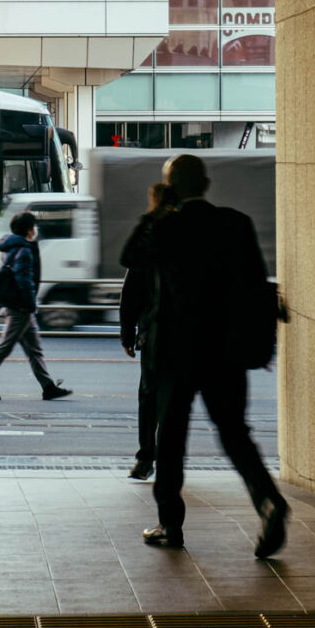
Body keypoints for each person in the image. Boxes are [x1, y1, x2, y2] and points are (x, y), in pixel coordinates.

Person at [143, 153, 288, 558]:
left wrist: (157, 210)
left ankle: (170, 524)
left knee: (170, 438)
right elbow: (256, 285)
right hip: (226, 350)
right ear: (206, 184)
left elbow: (131, 259)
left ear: (172, 187)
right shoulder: (236, 223)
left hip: (176, 351)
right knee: (234, 434)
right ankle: (269, 501)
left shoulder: (165, 227)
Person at [0, 211, 72, 401]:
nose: (36, 229)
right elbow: (23, 281)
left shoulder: (12, 247)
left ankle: (48, 387)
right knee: (3, 347)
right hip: (21, 308)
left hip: (20, 307)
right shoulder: (24, 250)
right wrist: (28, 304)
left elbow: (5, 277)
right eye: (34, 226)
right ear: (28, 229)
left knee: (34, 350)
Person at [119, 182, 176, 481]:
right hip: (187, 334)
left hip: (155, 333)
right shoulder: (190, 236)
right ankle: (167, 460)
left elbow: (131, 291)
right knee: (175, 401)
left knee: (149, 398)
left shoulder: (149, 237)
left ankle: (145, 459)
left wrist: (127, 334)